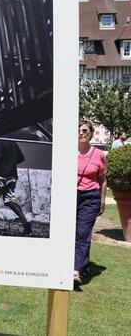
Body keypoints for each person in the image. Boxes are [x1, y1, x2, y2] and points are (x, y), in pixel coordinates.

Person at [75, 119, 107, 285]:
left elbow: (102, 180)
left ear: (91, 134)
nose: (81, 133)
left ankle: (76, 270)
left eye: (85, 131)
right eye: (79, 130)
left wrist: (102, 201)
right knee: (71, 233)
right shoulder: (69, 151)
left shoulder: (99, 154)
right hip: (71, 197)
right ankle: (82, 265)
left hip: (90, 197)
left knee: (82, 232)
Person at [0, 139, 32, 236]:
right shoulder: (12, 140)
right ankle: (25, 223)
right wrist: (9, 164)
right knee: (10, 200)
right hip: (12, 175)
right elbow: (21, 158)